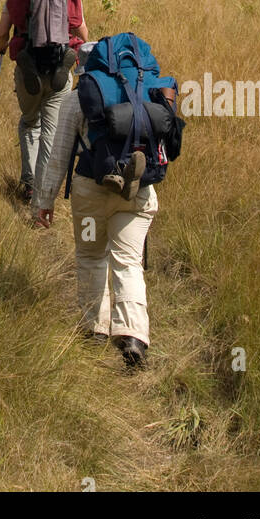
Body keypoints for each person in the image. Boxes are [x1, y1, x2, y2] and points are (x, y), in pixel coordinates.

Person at [32, 39, 180, 369]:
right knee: (127, 260)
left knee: (91, 254)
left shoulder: (77, 99)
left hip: (90, 192)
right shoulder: (142, 92)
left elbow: (57, 158)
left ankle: (95, 329)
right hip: (139, 194)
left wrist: (45, 202)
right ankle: (133, 336)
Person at [0, 0, 87, 210]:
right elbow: (83, 34)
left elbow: (2, 32)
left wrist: (1, 46)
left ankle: (29, 182)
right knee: (52, 131)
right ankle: (41, 198)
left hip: (28, 69)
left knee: (29, 123)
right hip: (60, 66)